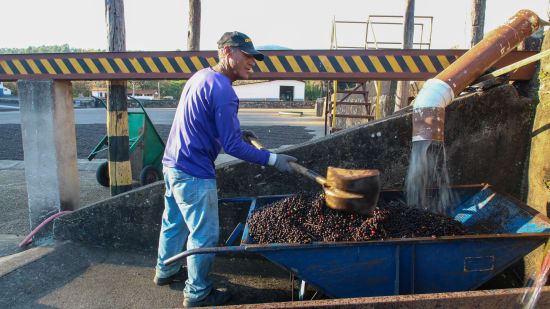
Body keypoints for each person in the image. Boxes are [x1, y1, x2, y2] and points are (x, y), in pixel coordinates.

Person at [153, 31, 297, 307]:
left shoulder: (201, 77)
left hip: (172, 164)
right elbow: (232, 147)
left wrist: (236, 132)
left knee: (173, 221)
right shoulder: (224, 91)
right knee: (204, 235)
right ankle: (197, 294)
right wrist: (272, 159)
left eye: (254, 57)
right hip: (194, 171)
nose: (252, 62)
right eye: (247, 56)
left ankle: (165, 270)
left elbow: (204, 122)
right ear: (228, 52)